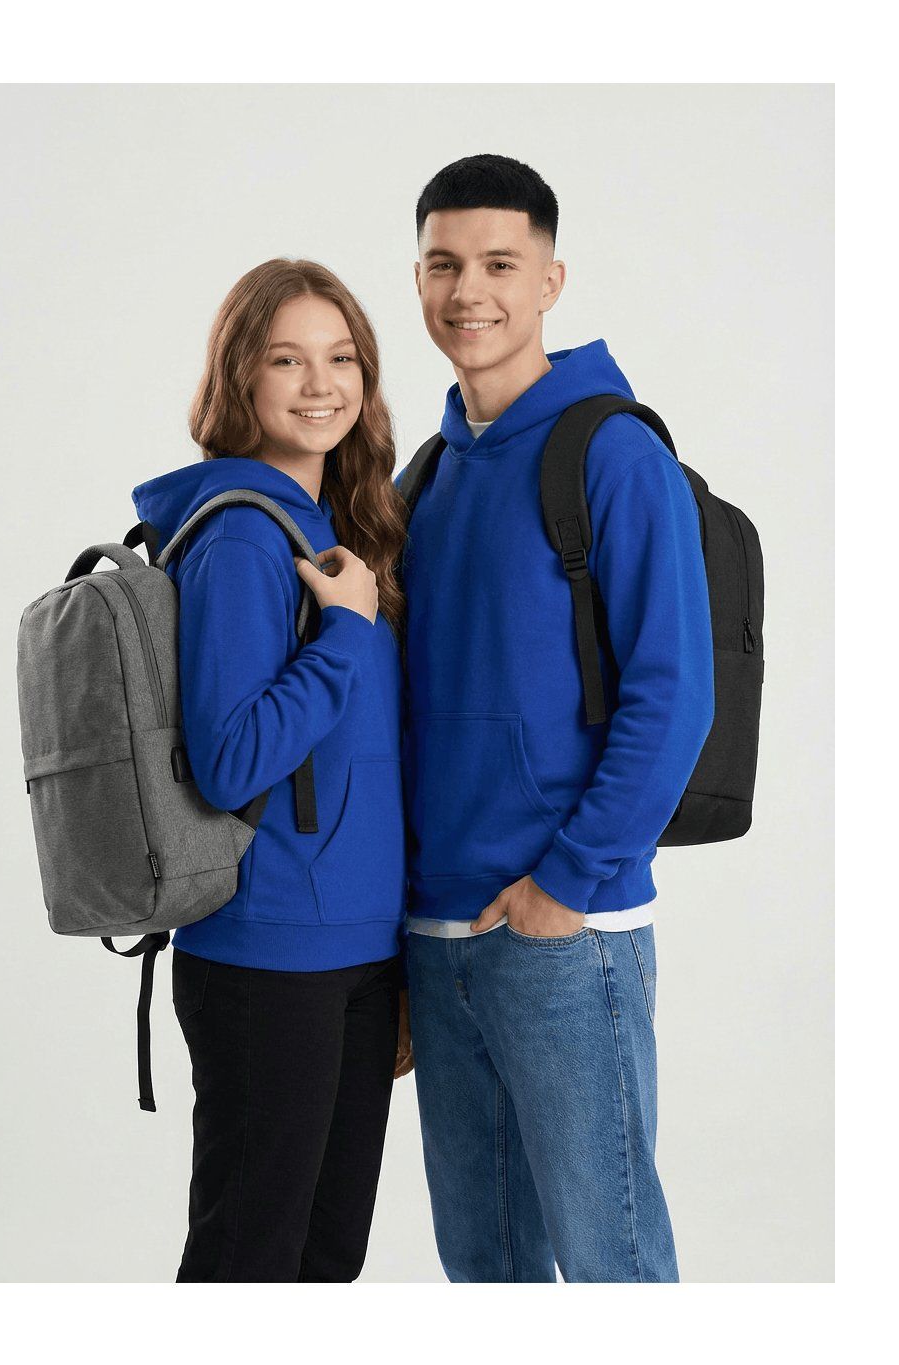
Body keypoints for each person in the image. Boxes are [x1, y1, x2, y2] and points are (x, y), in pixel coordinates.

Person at [399, 154, 715, 1282]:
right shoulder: (424, 478)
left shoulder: (613, 454)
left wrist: (566, 886)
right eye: (442, 264)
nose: (467, 291)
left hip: (565, 936)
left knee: (611, 1270)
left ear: (549, 281)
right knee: (485, 1273)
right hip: (435, 940)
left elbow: (673, 695)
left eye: (499, 264)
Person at [132, 259, 413, 1282]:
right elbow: (232, 757)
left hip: (356, 948)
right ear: (240, 376)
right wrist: (344, 632)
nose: (320, 383)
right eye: (287, 359)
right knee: (247, 1266)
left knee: (324, 1261)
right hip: (266, 954)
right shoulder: (246, 538)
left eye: (342, 358)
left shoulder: (337, 530)